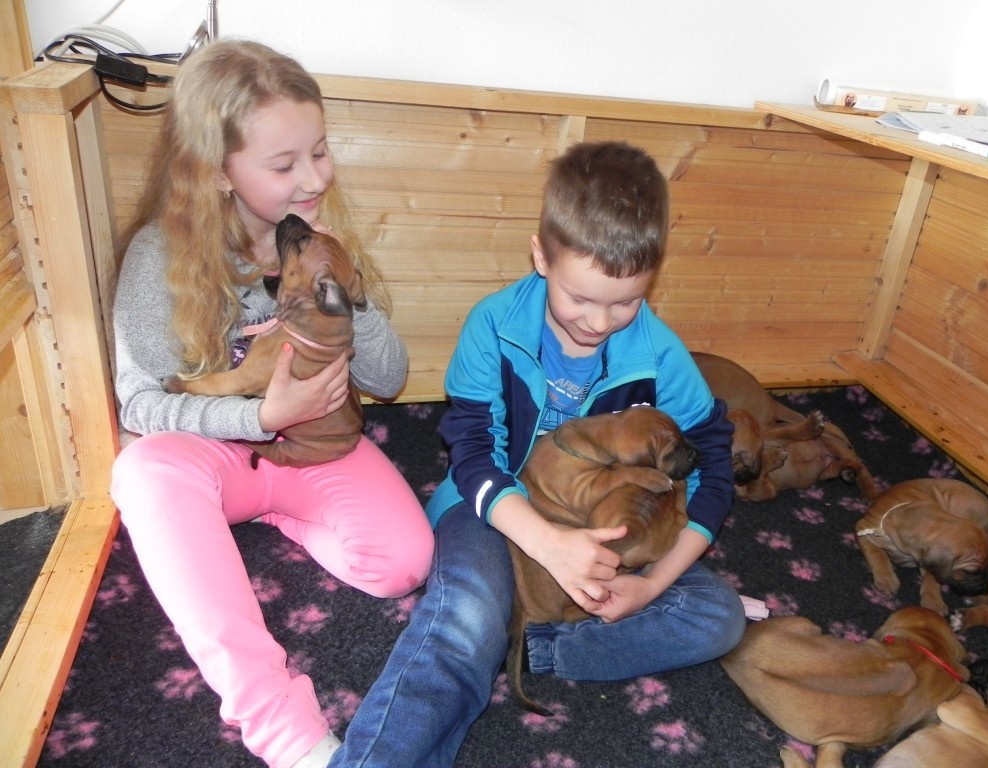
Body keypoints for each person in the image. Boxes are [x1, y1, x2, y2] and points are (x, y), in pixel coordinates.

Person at [330, 140, 747, 768]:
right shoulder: (493, 324)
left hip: (601, 526)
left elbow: (714, 461)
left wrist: (650, 585)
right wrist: (548, 544)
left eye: (625, 302)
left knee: (718, 616)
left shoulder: (660, 353)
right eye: (580, 298)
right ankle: (477, 645)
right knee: (463, 619)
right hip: (492, 509)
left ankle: (532, 646)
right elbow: (473, 453)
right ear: (541, 257)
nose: (599, 322)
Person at [109, 39, 434, 768]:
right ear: (215, 171)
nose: (314, 177)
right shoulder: (158, 257)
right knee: (143, 472)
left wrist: (345, 292)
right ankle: (286, 731)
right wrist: (257, 417)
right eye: (285, 165)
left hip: (308, 447)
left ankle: (273, 512)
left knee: (403, 563)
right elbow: (140, 406)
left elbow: (389, 378)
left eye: (319, 152)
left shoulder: (319, 244)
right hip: (216, 454)